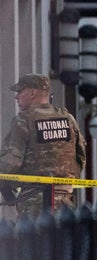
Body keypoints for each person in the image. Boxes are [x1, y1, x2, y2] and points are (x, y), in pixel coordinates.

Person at [0, 73, 86, 217]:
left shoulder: (23, 121)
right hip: (66, 201)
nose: (17, 97)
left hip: (34, 203)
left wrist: (4, 185)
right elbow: (80, 156)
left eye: (20, 91)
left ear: (33, 92)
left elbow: (10, 162)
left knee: (32, 239)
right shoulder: (68, 119)